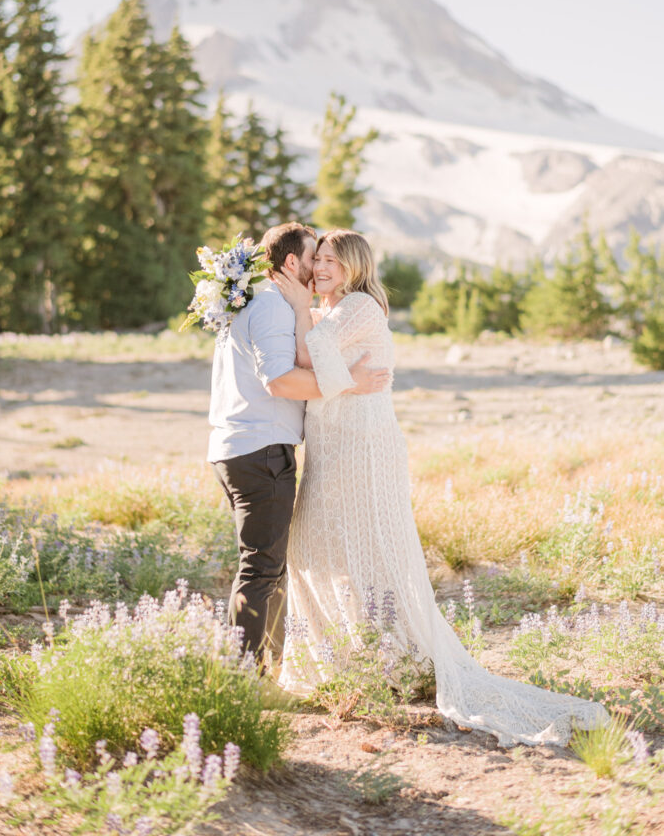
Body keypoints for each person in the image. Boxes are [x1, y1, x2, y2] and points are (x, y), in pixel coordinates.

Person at [273, 228, 609, 747]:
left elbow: (304, 358)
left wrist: (297, 306)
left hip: (362, 451)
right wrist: (303, 313)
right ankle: (346, 658)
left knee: (365, 549)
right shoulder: (337, 310)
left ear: (355, 266)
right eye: (317, 260)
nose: (320, 269)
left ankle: (385, 659)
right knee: (318, 545)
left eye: (332, 261)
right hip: (334, 445)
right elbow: (313, 350)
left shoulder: (359, 306)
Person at [208, 221, 391, 667]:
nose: (318, 268)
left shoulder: (260, 303)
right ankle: (243, 676)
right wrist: (350, 383)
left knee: (268, 567)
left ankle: (267, 668)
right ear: (292, 262)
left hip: (244, 446)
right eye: (314, 258)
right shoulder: (271, 308)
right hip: (261, 450)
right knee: (261, 570)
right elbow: (281, 380)